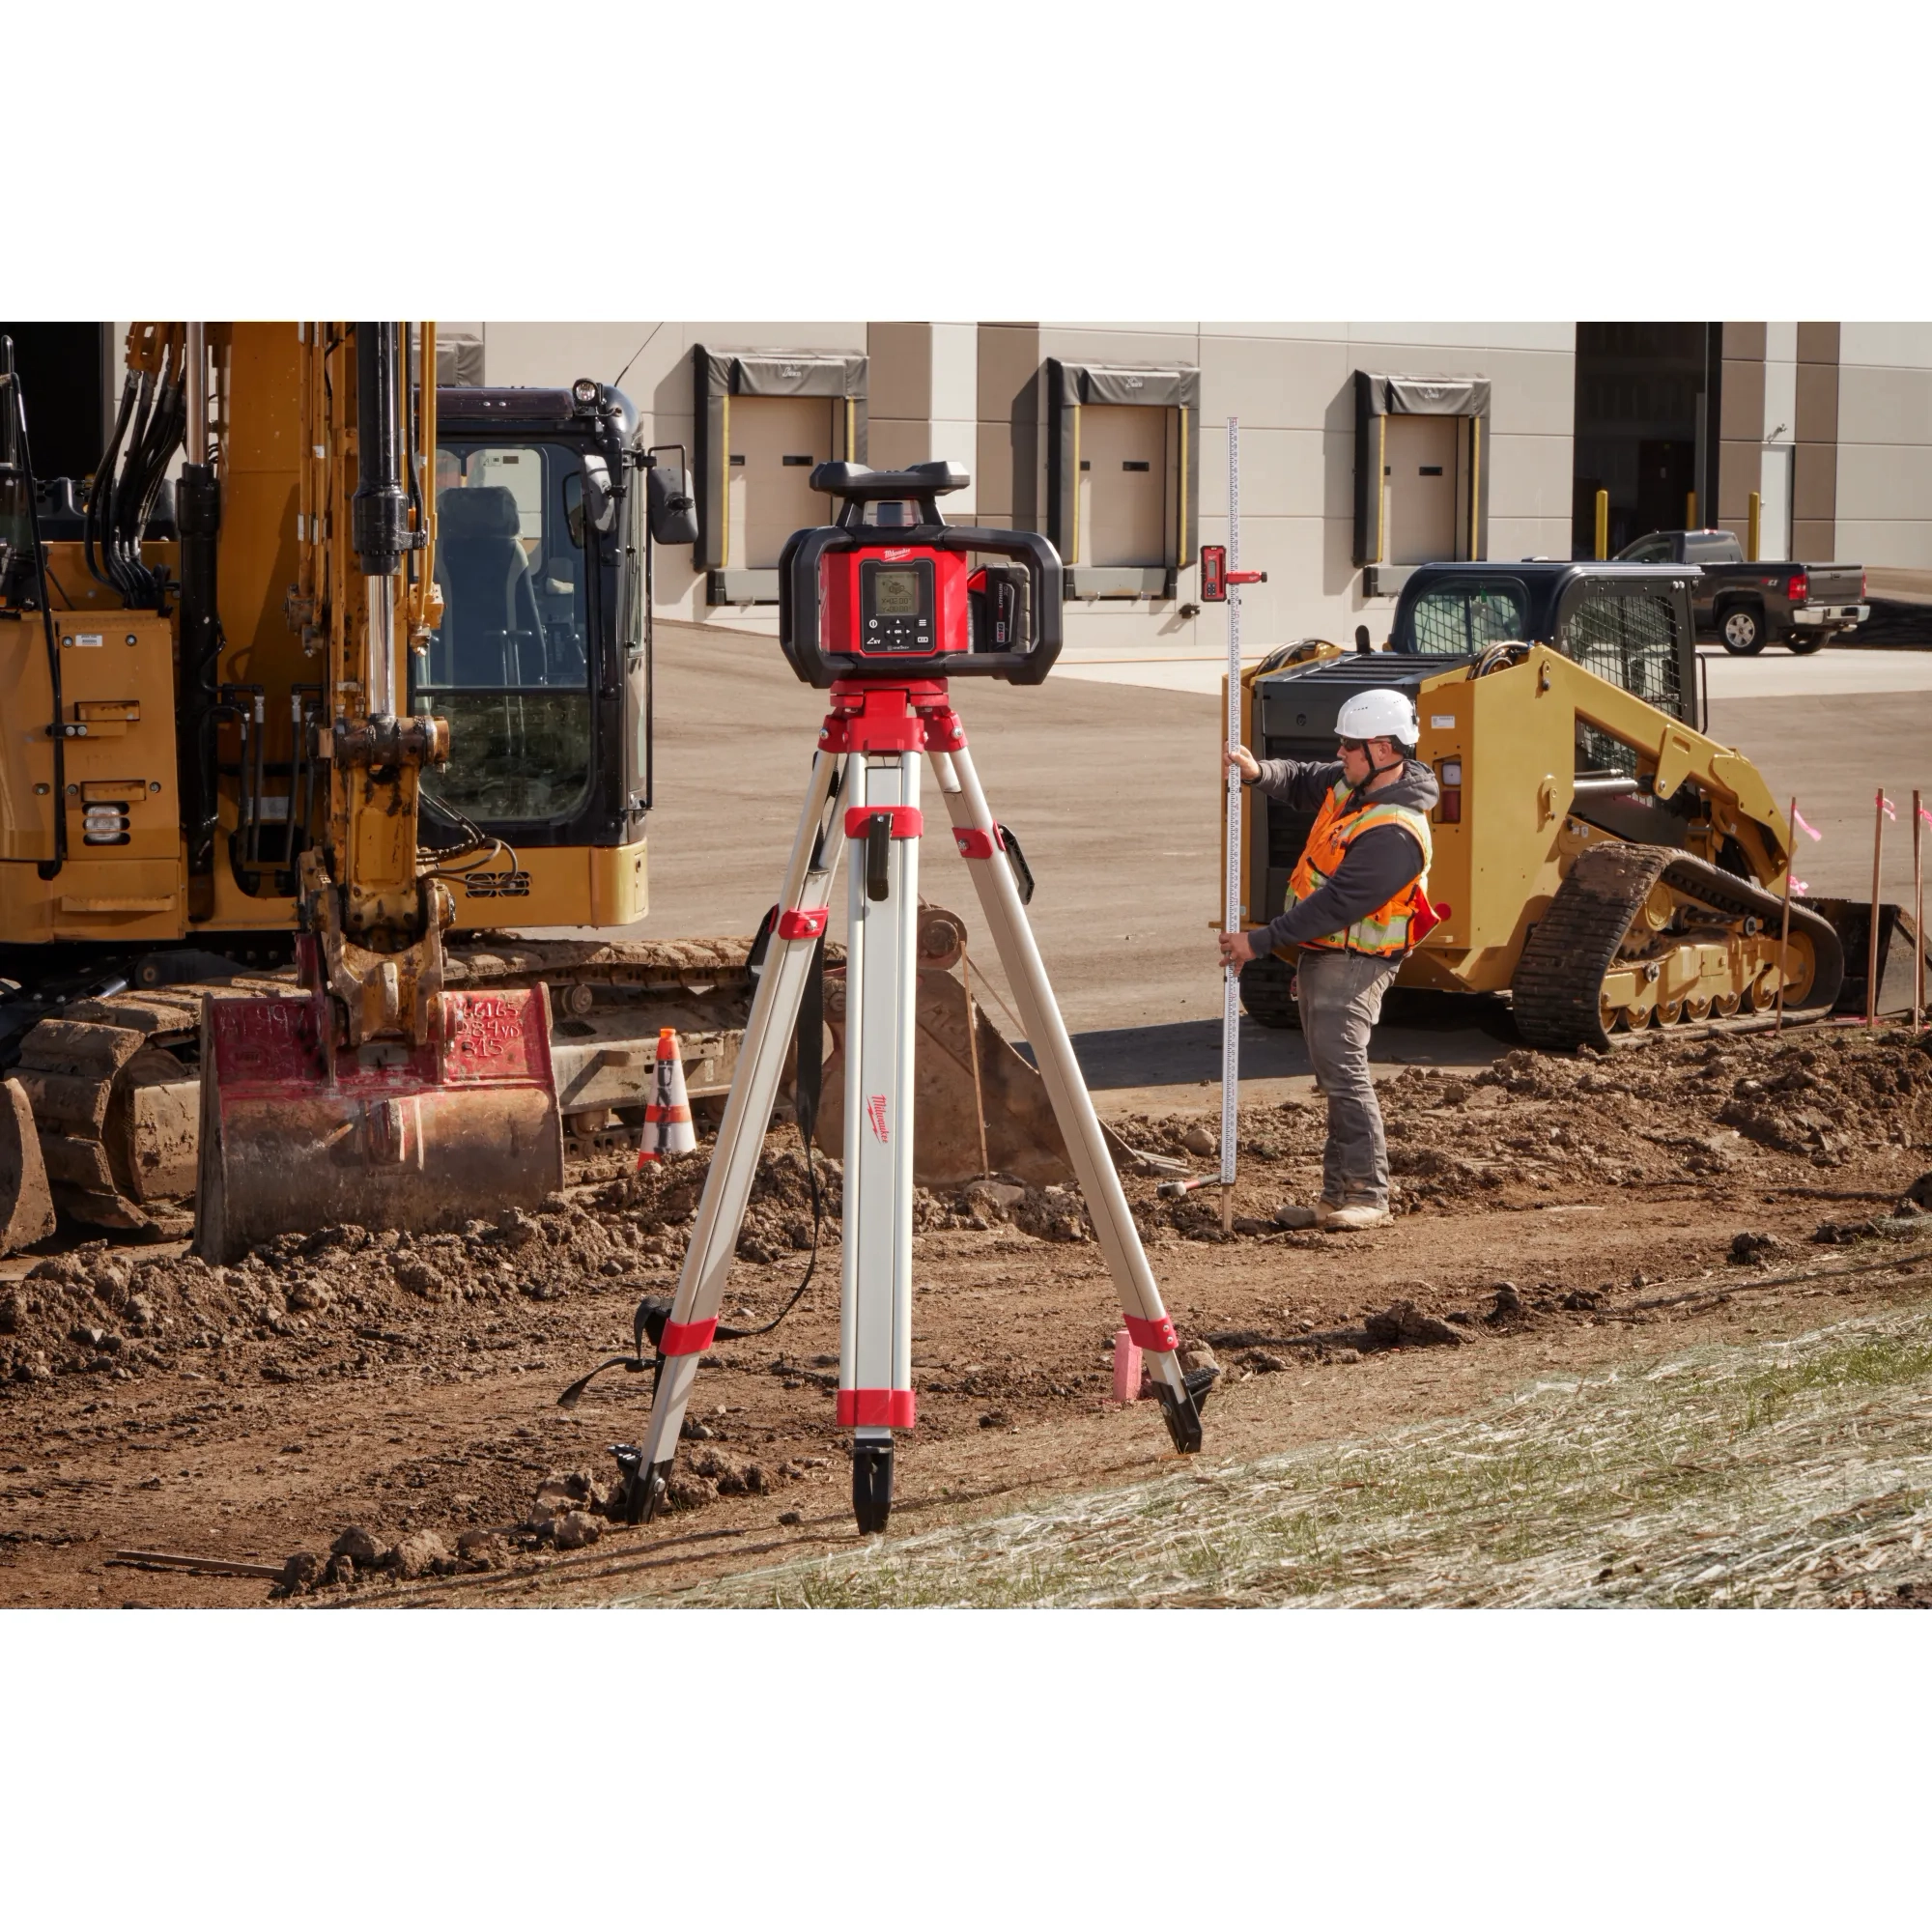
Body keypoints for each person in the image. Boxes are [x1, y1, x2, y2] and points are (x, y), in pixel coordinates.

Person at [1218, 689, 1438, 1233]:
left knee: (1345, 1077)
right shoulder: (1352, 786)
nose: (1339, 753)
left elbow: (1338, 904)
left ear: (1382, 749)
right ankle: (1335, 1197)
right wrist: (1258, 771)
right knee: (1333, 1078)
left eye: (1348, 745)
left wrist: (1260, 942)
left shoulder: (1394, 830)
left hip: (1356, 963)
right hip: (1326, 956)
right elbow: (1300, 779)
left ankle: (1368, 1194)